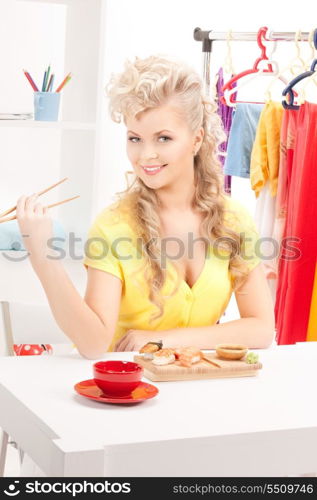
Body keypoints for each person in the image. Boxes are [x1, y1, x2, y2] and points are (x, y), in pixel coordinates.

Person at [16, 54, 275, 359]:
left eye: (163, 138)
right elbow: (93, 344)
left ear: (196, 140)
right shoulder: (114, 226)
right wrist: (42, 255)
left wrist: (166, 339)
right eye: (135, 139)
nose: (146, 155)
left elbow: (261, 329)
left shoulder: (233, 219)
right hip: (120, 392)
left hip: (194, 385)